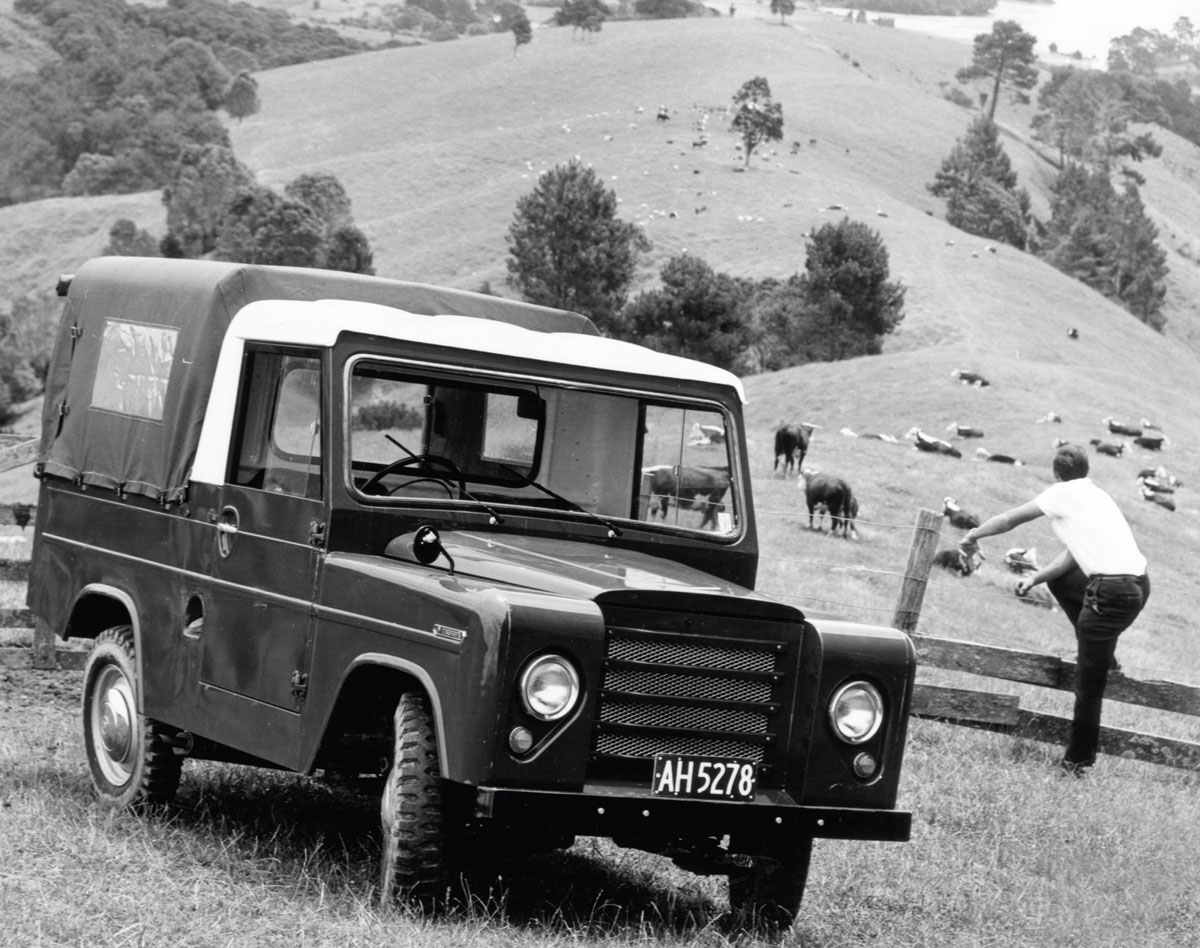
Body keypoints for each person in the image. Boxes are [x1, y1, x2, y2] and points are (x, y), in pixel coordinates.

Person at [958, 443, 1149, 777]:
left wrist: (972, 536)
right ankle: (1107, 657)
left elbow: (1007, 519)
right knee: (1061, 582)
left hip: (1111, 593)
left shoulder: (1061, 493)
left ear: (1056, 473)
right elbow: (1075, 554)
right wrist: (1036, 578)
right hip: (1137, 586)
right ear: (1086, 469)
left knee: (1088, 686)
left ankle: (1076, 763)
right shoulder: (1098, 495)